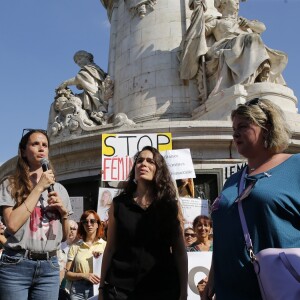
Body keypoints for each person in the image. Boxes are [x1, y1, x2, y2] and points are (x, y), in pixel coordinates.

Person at [202, 98, 300, 300]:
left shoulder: (296, 166)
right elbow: (224, 235)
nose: (235, 133)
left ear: (267, 127)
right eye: (234, 128)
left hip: (280, 289)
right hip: (230, 292)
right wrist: (212, 278)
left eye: (243, 126)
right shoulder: (233, 180)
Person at [98, 145, 188, 300]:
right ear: (134, 169)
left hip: (161, 289)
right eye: (139, 161)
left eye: (150, 161)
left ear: (158, 169)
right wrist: (101, 288)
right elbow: (111, 247)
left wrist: (183, 292)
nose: (144, 164)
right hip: (120, 290)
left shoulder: (170, 206)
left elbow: (179, 251)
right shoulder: (119, 204)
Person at [0, 128, 73, 300]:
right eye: (35, 144)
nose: (41, 148)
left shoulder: (60, 190)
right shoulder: (10, 185)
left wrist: (63, 214)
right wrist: (39, 187)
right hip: (16, 265)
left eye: (45, 145)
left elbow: (64, 238)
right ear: (23, 151)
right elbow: (12, 224)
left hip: (49, 267)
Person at [204, 0, 287, 97]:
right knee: (253, 38)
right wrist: (197, 13)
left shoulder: (243, 21)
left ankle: (259, 71)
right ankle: (250, 76)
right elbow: (199, 32)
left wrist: (249, 24)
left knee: (277, 53)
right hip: (228, 45)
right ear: (224, 3)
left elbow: (262, 27)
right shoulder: (217, 22)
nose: (237, 3)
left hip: (246, 45)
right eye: (234, 0)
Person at [57, 50, 108, 123]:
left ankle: (99, 110)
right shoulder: (92, 69)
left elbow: (79, 78)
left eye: (80, 59)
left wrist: (65, 83)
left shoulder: (90, 69)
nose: (78, 62)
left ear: (87, 57)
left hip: (97, 96)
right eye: (76, 61)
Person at [66, 210, 106, 300]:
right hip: (77, 290)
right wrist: (84, 275)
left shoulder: (105, 246)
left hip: (97, 288)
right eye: (85, 222)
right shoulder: (75, 247)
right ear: (82, 225)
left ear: (97, 224)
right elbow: (67, 274)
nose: (89, 224)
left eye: (92, 221)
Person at [58, 220, 79, 285]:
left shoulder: (80, 247)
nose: (71, 231)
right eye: (69, 228)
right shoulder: (58, 246)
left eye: (74, 229)